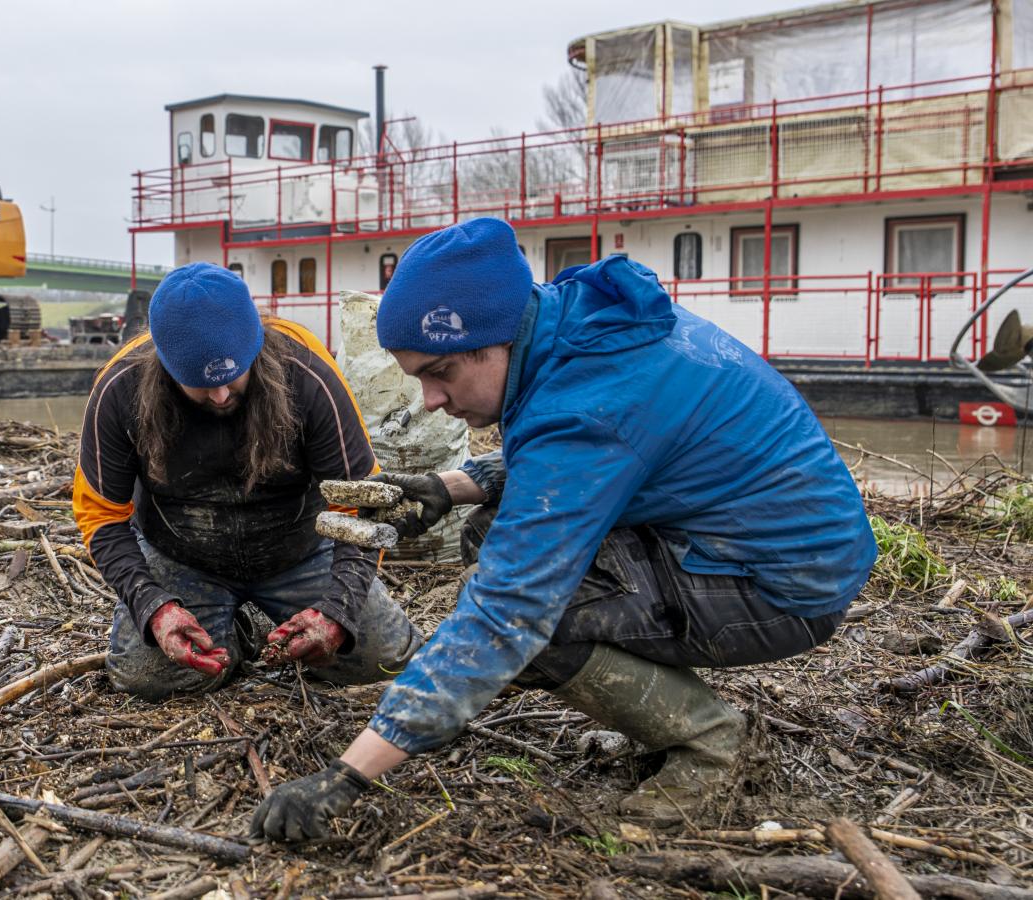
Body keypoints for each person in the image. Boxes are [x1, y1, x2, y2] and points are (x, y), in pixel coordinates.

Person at [250, 218, 876, 840]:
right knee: (493, 534)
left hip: (784, 581)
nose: (431, 399)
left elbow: (510, 610)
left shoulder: (584, 403)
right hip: (745, 539)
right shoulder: (574, 325)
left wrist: (347, 775)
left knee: (535, 624)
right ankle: (669, 707)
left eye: (439, 372)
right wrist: (452, 486)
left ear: (491, 341)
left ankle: (712, 743)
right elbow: (610, 452)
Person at [75, 262, 423, 698]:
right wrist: (152, 606)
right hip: (181, 557)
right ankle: (235, 627)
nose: (220, 396)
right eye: (199, 385)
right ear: (165, 365)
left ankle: (273, 613)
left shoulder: (307, 370)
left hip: (300, 552)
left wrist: (338, 609)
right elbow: (101, 517)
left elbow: (359, 504)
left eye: (230, 376)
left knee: (385, 663)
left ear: (255, 345)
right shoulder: (119, 388)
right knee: (150, 681)